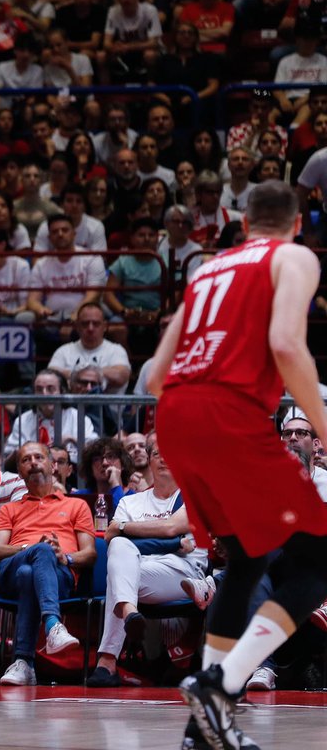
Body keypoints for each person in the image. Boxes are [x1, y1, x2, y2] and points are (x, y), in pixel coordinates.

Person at [148, 181, 327, 749]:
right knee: (319, 561)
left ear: (244, 223)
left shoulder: (207, 270)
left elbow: (154, 374)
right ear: (296, 225)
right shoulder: (293, 256)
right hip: (230, 411)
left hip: (174, 415)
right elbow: (286, 343)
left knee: (248, 560)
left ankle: (200, 734)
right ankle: (220, 685)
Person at [87, 438, 206, 687]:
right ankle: (128, 617)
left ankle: (107, 661)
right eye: (157, 454)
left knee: (118, 572)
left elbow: (172, 527)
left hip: (183, 573)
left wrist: (124, 528)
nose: (164, 459)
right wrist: (168, 539)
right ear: (149, 461)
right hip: (139, 572)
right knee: (119, 552)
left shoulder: (195, 496)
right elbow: (112, 541)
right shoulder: (130, 502)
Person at [0, 442, 97, 685]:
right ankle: (52, 623)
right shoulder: (9, 508)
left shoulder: (76, 505)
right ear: (19, 471)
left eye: (39, 457)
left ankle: (23, 663)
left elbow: (90, 554)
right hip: (10, 573)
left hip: (58, 575)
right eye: (26, 460)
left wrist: (65, 557)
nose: (33, 462)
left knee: (31, 574)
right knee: (37, 555)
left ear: (53, 465)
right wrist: (30, 549)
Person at [4, 368, 97, 462]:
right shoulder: (23, 420)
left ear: (62, 391)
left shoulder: (78, 418)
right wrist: (25, 450)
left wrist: (71, 440)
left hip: (71, 473)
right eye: (39, 389)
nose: (44, 394)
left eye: (51, 389)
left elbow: (95, 451)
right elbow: (7, 458)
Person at [46, 302, 131, 394]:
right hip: (70, 407)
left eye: (96, 324)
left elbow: (121, 377)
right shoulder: (63, 351)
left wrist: (77, 375)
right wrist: (101, 373)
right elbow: (50, 376)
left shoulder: (116, 350)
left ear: (105, 326)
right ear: (77, 326)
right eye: (85, 324)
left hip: (108, 408)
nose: (90, 328)